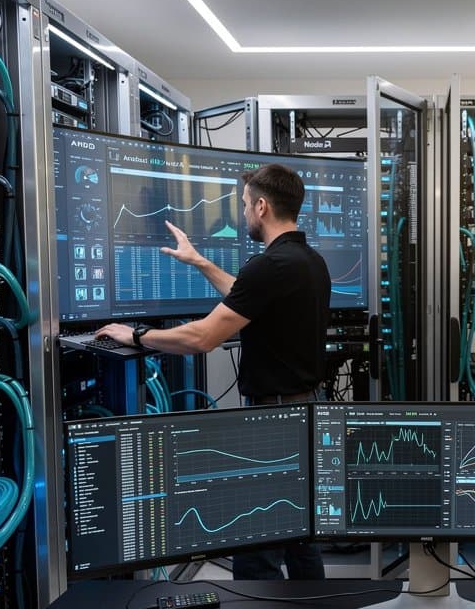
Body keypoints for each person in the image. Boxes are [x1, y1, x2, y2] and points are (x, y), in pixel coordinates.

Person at [96, 163, 329, 580]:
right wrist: (200, 262)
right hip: (305, 411)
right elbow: (249, 295)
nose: (242, 215)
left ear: (261, 206)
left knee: (256, 544)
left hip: (272, 421)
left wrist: (137, 335)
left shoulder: (271, 266)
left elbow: (202, 338)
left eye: (244, 205)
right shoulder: (308, 261)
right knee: (299, 537)